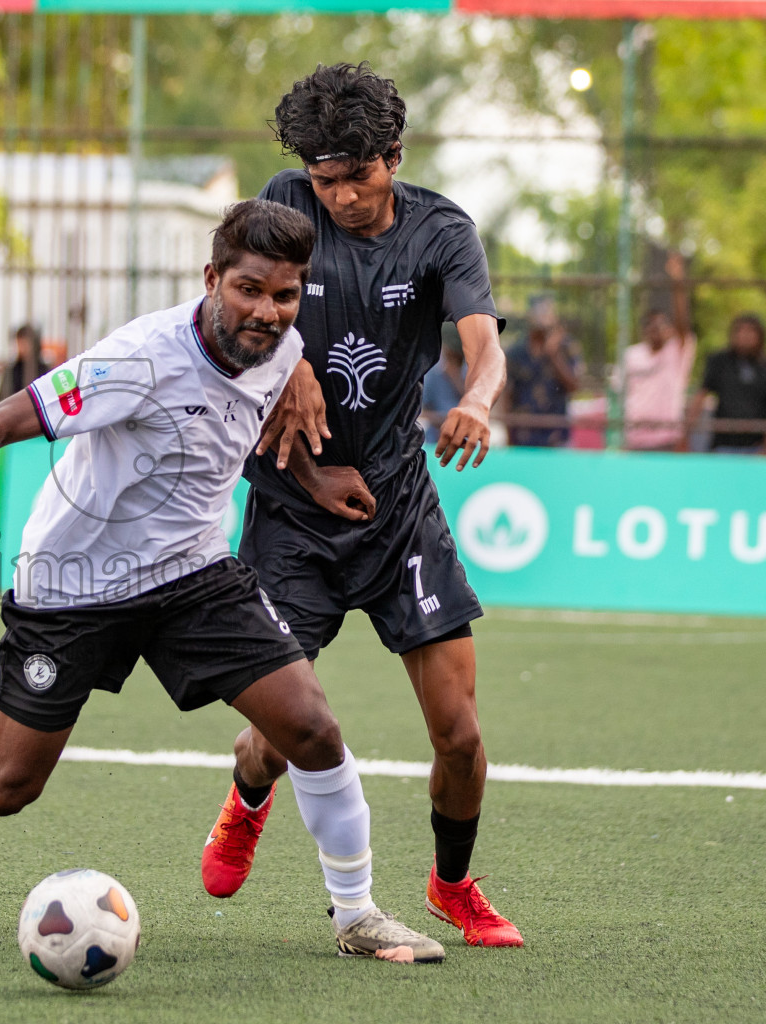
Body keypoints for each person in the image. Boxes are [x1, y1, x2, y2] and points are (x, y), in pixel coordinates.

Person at [0, 199, 445, 963]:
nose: (267, 312)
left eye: (285, 294)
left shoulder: (282, 347)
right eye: (248, 289)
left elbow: (258, 423)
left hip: (194, 574)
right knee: (7, 786)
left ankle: (356, 914)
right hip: (74, 585)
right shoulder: (137, 360)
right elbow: (6, 420)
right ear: (212, 278)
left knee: (310, 728)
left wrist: (314, 477)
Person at [200, 63, 522, 950]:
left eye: (357, 175)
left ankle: (452, 884)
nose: (337, 196)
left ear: (394, 157)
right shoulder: (283, 201)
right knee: (276, 734)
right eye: (324, 178)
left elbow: (483, 345)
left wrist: (477, 400)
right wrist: (290, 365)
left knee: (458, 734)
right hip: (291, 510)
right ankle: (247, 797)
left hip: (397, 504)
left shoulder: (442, 231)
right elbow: (238, 314)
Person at [622, 254, 695, 451]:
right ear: (643, 330)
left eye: (661, 324)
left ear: (669, 329)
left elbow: (683, 322)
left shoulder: (676, 352)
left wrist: (677, 282)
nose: (656, 329)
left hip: (667, 439)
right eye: (650, 325)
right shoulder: (631, 355)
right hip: (635, 440)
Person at [688, 313, 766, 454]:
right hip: (722, 445)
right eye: (740, 330)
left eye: (750, 331)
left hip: (756, 447)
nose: (744, 335)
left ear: (760, 336)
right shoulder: (719, 362)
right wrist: (685, 435)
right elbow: (701, 396)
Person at [504, 294, 580, 447]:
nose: (542, 317)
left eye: (547, 312)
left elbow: (574, 386)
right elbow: (508, 396)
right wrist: (509, 437)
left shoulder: (566, 347)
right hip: (524, 437)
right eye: (538, 312)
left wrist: (553, 355)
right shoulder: (516, 351)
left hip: (557, 437)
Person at [420, 335, 464, 447]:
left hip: (463, 432)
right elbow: (424, 405)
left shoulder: (468, 369)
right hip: (436, 435)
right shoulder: (433, 372)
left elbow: (472, 400)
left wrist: (454, 375)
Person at [0, 324, 43, 403]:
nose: (21, 347)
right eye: (19, 343)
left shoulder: (43, 370)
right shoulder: (11, 371)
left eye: (25, 343)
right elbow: (0, 401)